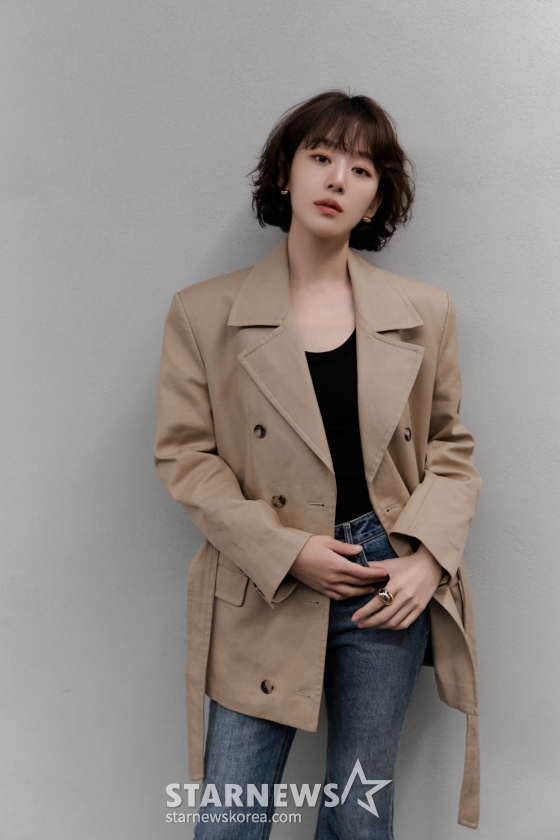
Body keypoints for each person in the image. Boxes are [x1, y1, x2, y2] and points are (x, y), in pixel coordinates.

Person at [154, 90, 482, 839]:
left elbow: (450, 449)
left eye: (361, 169)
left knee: (358, 818)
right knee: (229, 817)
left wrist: (428, 560)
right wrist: (287, 551)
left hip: (383, 578)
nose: (338, 179)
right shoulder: (204, 313)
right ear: (285, 174)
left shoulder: (424, 312)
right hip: (263, 578)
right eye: (321, 156)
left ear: (377, 200)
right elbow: (186, 456)